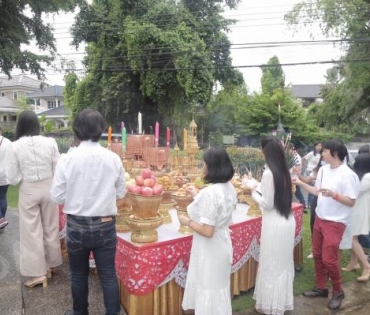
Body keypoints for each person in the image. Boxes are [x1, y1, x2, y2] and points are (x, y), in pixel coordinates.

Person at [50, 109, 125, 315]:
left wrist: (77, 196)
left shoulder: (67, 159)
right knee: (108, 274)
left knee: (78, 276)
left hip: (77, 224)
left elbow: (56, 196)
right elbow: (121, 192)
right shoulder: (113, 158)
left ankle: (80, 312)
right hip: (105, 222)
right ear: (100, 130)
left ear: (77, 130)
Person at [294, 139, 360, 310]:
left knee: (329, 259)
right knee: (317, 254)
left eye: (324, 151)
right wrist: (301, 183)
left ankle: (338, 291)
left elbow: (351, 201)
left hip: (336, 222)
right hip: (320, 218)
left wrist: (334, 195)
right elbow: (317, 191)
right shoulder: (323, 170)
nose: (321, 154)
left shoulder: (348, 174)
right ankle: (321, 287)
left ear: (335, 153)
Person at [6, 110, 62, 287]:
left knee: (31, 232)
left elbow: (13, 178)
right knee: (51, 227)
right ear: (37, 124)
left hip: (29, 189)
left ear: (20, 125)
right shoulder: (50, 142)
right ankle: (50, 265)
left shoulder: (14, 146)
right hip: (49, 188)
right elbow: (58, 167)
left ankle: (37, 273)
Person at [178, 147, 237, 315]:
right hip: (222, 243)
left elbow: (207, 230)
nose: (202, 167)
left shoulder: (211, 193)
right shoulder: (229, 187)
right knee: (216, 286)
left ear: (211, 167)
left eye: (203, 164)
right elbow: (217, 212)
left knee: (208, 286)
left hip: (210, 248)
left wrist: (187, 221)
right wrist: (198, 195)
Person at [250, 136, 295, 315]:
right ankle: (280, 303)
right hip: (285, 221)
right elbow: (272, 195)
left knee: (270, 262)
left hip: (274, 224)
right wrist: (256, 186)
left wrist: (252, 191)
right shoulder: (283, 170)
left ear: (265, 151)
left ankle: (269, 306)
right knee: (282, 263)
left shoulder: (270, 173)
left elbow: (267, 204)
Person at [341, 153, 370, 281]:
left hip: (358, 211)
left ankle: (366, 266)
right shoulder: (362, 176)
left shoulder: (368, 177)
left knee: (352, 238)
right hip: (355, 210)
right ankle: (353, 263)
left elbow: (354, 193)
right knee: (354, 238)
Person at [295, 155, 324, 258]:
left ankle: (324, 250)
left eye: (325, 151)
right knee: (314, 224)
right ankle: (314, 249)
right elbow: (306, 181)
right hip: (317, 199)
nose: (323, 155)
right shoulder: (319, 170)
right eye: (322, 153)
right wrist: (298, 174)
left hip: (329, 200)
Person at [303, 142, 322, 206]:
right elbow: (303, 159)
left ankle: (310, 203)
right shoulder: (311, 153)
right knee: (312, 187)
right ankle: (309, 203)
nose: (319, 147)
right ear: (315, 146)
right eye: (317, 145)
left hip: (317, 172)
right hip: (310, 171)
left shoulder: (322, 155)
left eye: (320, 146)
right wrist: (305, 166)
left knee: (315, 187)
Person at [0, 127, 11, 229]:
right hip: (5, 174)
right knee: (2, 197)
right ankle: (2, 219)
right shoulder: (8, 142)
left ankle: (1, 219)